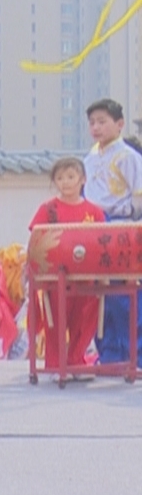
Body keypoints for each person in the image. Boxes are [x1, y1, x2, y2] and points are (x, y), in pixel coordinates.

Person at [28, 155, 105, 375]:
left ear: (83, 179)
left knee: (85, 318)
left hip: (86, 277)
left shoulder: (94, 212)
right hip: (55, 277)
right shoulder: (48, 209)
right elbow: (36, 241)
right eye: (60, 178)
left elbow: (101, 242)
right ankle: (55, 364)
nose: (66, 182)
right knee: (55, 320)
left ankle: (76, 360)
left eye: (71, 176)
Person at [83, 98, 142, 365]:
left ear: (119, 124)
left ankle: (133, 353)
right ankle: (109, 352)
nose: (96, 127)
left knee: (124, 292)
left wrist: (127, 219)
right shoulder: (90, 158)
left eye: (102, 122)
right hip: (92, 227)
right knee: (100, 293)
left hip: (120, 227)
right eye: (92, 123)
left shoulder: (129, 157)